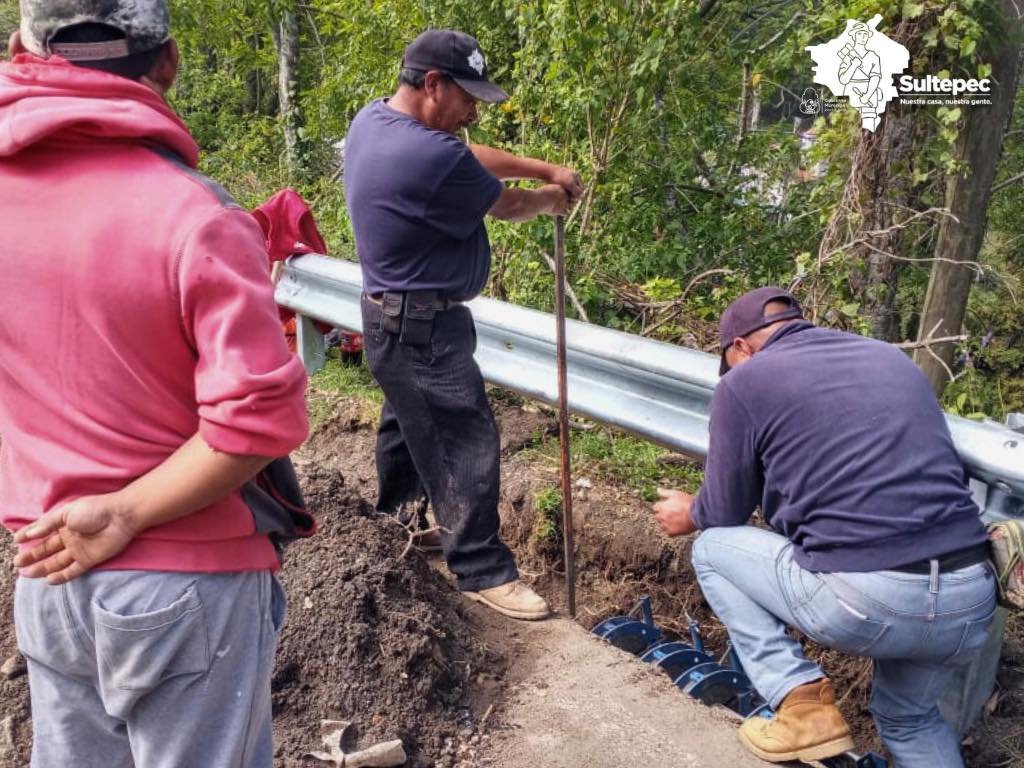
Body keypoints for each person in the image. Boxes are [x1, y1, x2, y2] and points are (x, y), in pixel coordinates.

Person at [0, 2, 309, 765]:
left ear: (22, 48)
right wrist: (125, 512)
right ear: (166, 63)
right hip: (185, 585)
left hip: (47, 572)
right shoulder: (197, 215)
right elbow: (258, 423)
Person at [652, 287, 996, 767]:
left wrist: (690, 513)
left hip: (869, 600)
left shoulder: (743, 383)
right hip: (970, 596)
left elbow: (725, 511)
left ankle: (800, 703)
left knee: (712, 549)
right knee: (910, 719)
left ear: (740, 348)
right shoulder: (888, 358)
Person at [344, 29, 583, 621]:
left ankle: (399, 528)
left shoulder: (375, 121)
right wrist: (549, 196)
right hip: (424, 329)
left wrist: (541, 164)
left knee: (408, 425)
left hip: (390, 321)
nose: (475, 110)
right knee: (465, 438)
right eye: (468, 96)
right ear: (432, 84)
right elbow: (506, 202)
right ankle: (480, 567)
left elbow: (466, 154)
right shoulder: (431, 154)